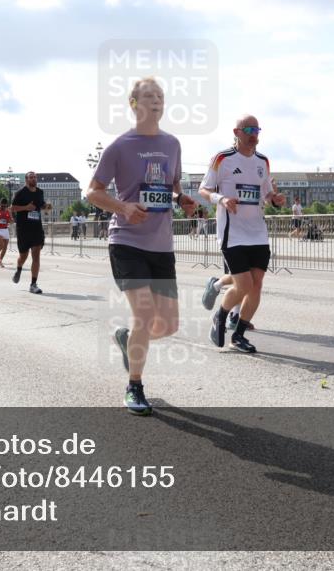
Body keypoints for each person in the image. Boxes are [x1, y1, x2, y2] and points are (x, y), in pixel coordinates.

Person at [86, 77, 197, 415]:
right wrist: (124, 207)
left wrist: (183, 198)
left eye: (160, 95)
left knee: (169, 325)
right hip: (127, 241)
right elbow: (93, 192)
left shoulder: (173, 144)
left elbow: (173, 183)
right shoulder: (119, 146)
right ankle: (135, 385)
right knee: (145, 314)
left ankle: (127, 338)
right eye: (149, 96)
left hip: (161, 245)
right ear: (133, 103)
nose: (156, 100)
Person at [199, 115, 284, 353]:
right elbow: (203, 189)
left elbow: (266, 193)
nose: (254, 134)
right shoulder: (222, 159)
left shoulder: (263, 161)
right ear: (237, 132)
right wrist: (222, 199)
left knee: (256, 286)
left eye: (257, 129)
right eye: (249, 129)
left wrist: (274, 199)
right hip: (232, 232)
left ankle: (238, 335)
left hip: (257, 232)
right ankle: (220, 316)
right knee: (244, 284)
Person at [11, 171, 50, 294]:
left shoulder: (40, 192)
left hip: (36, 228)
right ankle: (19, 269)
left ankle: (33, 284)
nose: (34, 179)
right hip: (23, 229)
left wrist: (46, 206)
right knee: (23, 255)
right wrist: (26, 208)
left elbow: (41, 205)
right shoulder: (20, 193)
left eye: (35, 177)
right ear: (26, 179)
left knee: (36, 255)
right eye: (31, 177)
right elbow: (12, 208)